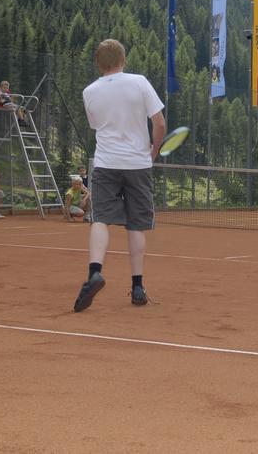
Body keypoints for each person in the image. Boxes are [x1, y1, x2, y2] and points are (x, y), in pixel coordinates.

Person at [73, 39, 165, 312]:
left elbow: (96, 125)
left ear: (98, 63)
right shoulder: (139, 82)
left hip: (105, 163)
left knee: (100, 219)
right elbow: (159, 123)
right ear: (123, 59)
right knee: (135, 225)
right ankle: (137, 286)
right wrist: (153, 151)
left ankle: (94, 273)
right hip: (138, 163)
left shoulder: (89, 91)